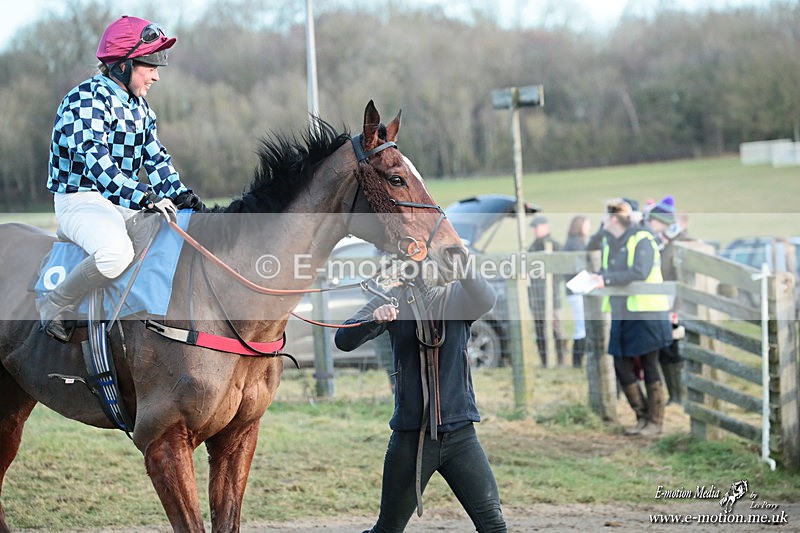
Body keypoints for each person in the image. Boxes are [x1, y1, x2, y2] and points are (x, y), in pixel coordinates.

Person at [37, 16, 204, 342]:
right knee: (116, 254)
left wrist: (181, 195)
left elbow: (156, 159)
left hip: (119, 201)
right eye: (149, 66)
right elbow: (101, 170)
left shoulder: (141, 108)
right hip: (80, 199)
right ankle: (54, 304)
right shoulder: (84, 102)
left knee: (174, 233)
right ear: (123, 66)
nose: (156, 76)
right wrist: (146, 196)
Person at [335, 267, 507, 533]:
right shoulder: (392, 298)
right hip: (411, 440)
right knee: (388, 529)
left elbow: (487, 298)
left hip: (461, 436)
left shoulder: (459, 297)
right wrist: (374, 320)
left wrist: (464, 263)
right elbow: (343, 339)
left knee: (494, 526)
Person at [589, 199, 673, 437]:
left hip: (646, 311)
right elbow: (592, 246)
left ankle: (655, 423)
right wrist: (598, 276)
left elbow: (640, 272)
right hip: (622, 311)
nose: (602, 221)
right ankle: (642, 417)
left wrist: (606, 279)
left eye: (606, 217)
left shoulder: (642, 238)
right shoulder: (609, 241)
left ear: (614, 219)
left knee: (649, 364)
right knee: (621, 364)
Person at [646, 195, 692, 405]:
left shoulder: (681, 244)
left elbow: (682, 280)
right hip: (664, 303)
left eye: (654, 221)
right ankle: (674, 395)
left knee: (674, 350)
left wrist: (676, 309)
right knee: (665, 348)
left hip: (675, 305)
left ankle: (680, 395)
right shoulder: (664, 243)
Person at [528, 215, 567, 367]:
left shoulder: (555, 245)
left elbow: (561, 269)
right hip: (536, 297)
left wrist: (552, 284)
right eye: (534, 227)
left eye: (538, 227)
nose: (535, 230)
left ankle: (561, 360)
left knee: (556, 328)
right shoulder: (531, 248)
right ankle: (544, 362)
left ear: (546, 227)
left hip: (552, 295)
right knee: (539, 330)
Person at [564, 215, 592, 367]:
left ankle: (578, 362)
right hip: (576, 291)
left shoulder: (577, 243)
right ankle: (577, 362)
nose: (588, 228)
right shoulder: (574, 244)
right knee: (581, 327)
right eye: (586, 225)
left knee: (581, 326)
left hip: (577, 291)